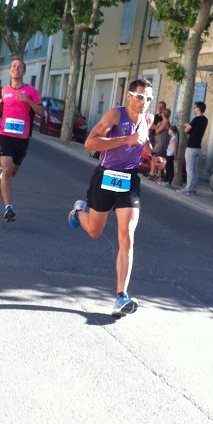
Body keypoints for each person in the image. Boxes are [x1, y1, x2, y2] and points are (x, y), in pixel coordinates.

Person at [68, 79, 154, 318]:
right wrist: (124, 140)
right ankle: (78, 212)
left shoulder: (148, 119)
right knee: (95, 231)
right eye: (139, 97)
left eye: (148, 98)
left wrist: (153, 156)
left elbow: (143, 141)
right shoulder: (115, 116)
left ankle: (121, 296)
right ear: (129, 96)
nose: (143, 102)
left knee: (127, 235)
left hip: (129, 181)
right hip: (106, 176)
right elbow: (89, 143)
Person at [0, 56, 45, 222]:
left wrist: (28, 102)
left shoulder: (31, 92)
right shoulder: (5, 90)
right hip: (5, 135)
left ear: (24, 72)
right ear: (10, 70)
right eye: (13, 66)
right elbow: (1, 106)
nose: (16, 69)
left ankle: (2, 179)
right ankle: (8, 208)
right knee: (6, 170)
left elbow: (42, 112)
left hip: (22, 138)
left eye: (19, 67)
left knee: (12, 172)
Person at [177, 101, 208, 196]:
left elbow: (187, 130)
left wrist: (186, 125)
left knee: (189, 169)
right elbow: (194, 131)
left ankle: (188, 189)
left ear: (198, 108)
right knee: (194, 169)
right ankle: (193, 189)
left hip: (191, 147)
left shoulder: (196, 119)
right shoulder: (205, 120)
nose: (193, 109)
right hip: (198, 147)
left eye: (194, 107)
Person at [148, 107, 171, 180]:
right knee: (159, 158)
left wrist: (157, 126)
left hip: (161, 142)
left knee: (153, 157)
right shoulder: (162, 122)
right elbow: (154, 127)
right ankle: (158, 175)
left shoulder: (166, 122)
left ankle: (152, 174)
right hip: (158, 141)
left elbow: (157, 131)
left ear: (163, 114)